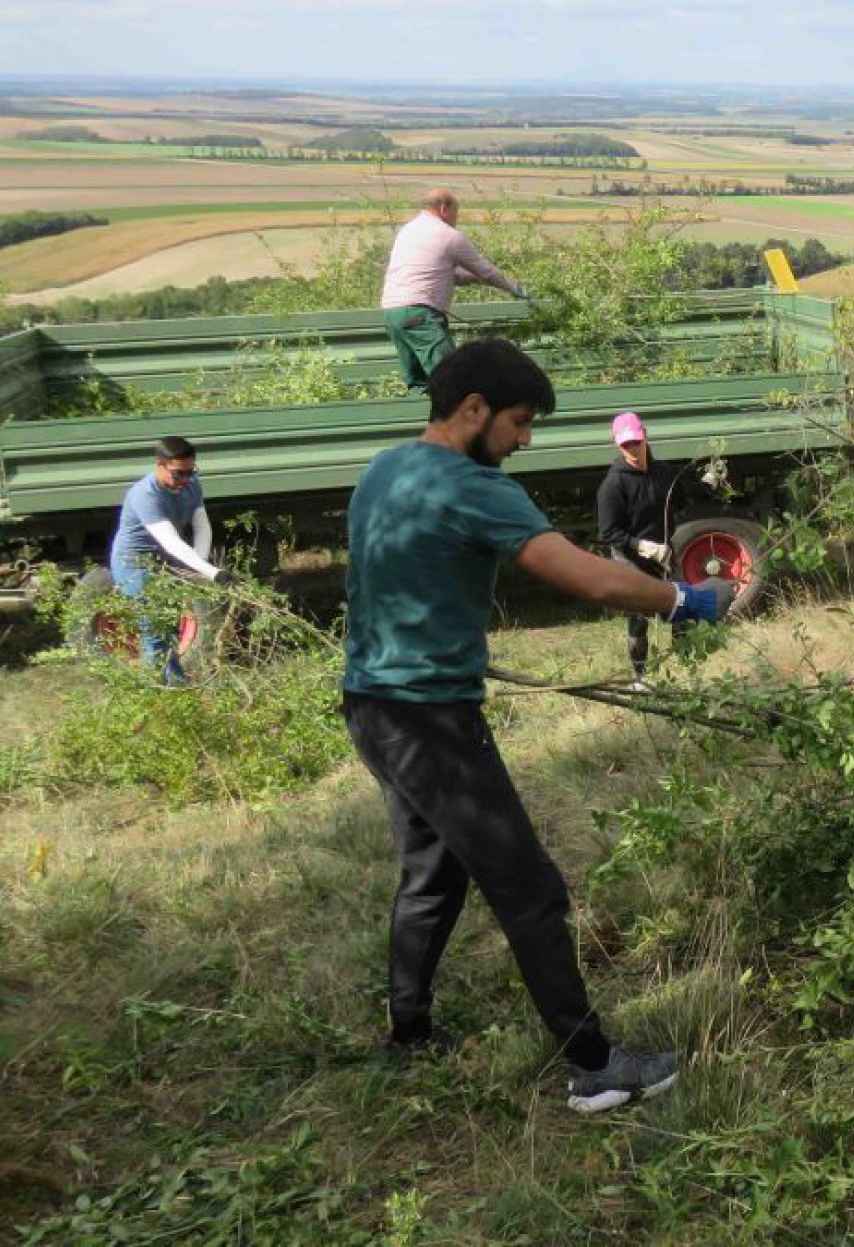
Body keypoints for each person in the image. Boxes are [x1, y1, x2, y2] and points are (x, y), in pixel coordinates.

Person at [340, 338, 733, 1113]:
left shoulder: (384, 469)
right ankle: (592, 1066)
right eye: (519, 422)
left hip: (372, 705)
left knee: (433, 875)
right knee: (530, 887)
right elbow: (586, 576)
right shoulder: (475, 486)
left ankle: (408, 1037)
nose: (524, 440)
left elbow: (390, 579)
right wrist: (686, 602)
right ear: (473, 409)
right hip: (430, 722)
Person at [107, 436, 236, 685]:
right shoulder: (145, 494)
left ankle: (172, 685)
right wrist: (212, 572)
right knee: (155, 629)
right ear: (160, 465)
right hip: (136, 563)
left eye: (191, 472)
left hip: (167, 560)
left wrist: (197, 564)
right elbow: (170, 540)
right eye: (178, 474)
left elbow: (202, 526)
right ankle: (162, 693)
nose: (185, 480)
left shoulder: (191, 485)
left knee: (170, 627)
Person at [378, 188, 527, 392]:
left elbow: (442, 274)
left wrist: (474, 278)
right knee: (452, 378)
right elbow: (487, 271)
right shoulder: (449, 236)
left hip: (392, 315)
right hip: (419, 314)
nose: (456, 219)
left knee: (420, 384)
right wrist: (513, 288)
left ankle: (428, 421)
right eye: (455, 212)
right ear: (443, 208)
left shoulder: (407, 231)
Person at [594, 412, 687, 688]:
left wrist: (710, 483)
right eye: (626, 445)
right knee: (640, 616)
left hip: (663, 551)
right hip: (630, 556)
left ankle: (685, 668)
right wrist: (641, 546)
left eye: (636, 441)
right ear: (617, 445)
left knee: (681, 605)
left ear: (645, 435)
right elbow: (608, 533)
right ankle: (641, 677)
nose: (632, 449)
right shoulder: (613, 485)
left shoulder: (663, 473)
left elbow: (680, 500)